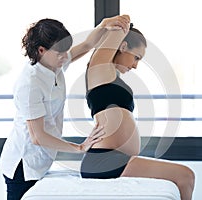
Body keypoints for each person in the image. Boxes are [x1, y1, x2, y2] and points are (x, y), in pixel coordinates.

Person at [0, 15, 130, 200]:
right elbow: (37, 137)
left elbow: (86, 45)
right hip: (22, 166)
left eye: (65, 51)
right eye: (59, 53)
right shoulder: (30, 84)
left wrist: (104, 25)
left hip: (41, 160)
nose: (64, 57)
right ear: (41, 50)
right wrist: (80, 147)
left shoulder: (53, 64)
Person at [80, 15, 195, 200]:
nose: (135, 65)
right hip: (104, 160)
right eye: (136, 57)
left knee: (185, 176)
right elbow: (118, 29)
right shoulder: (99, 70)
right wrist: (119, 23)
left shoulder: (110, 77)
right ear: (123, 46)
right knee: (185, 175)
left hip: (114, 159)